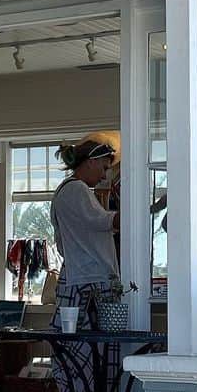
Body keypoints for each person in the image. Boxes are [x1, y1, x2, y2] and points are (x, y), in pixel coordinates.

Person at [50, 135, 121, 331]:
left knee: (73, 339)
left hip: (80, 275)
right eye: (104, 168)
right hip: (87, 278)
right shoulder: (76, 189)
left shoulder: (68, 190)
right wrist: (139, 213)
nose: (104, 176)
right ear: (91, 161)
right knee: (89, 342)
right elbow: (102, 221)